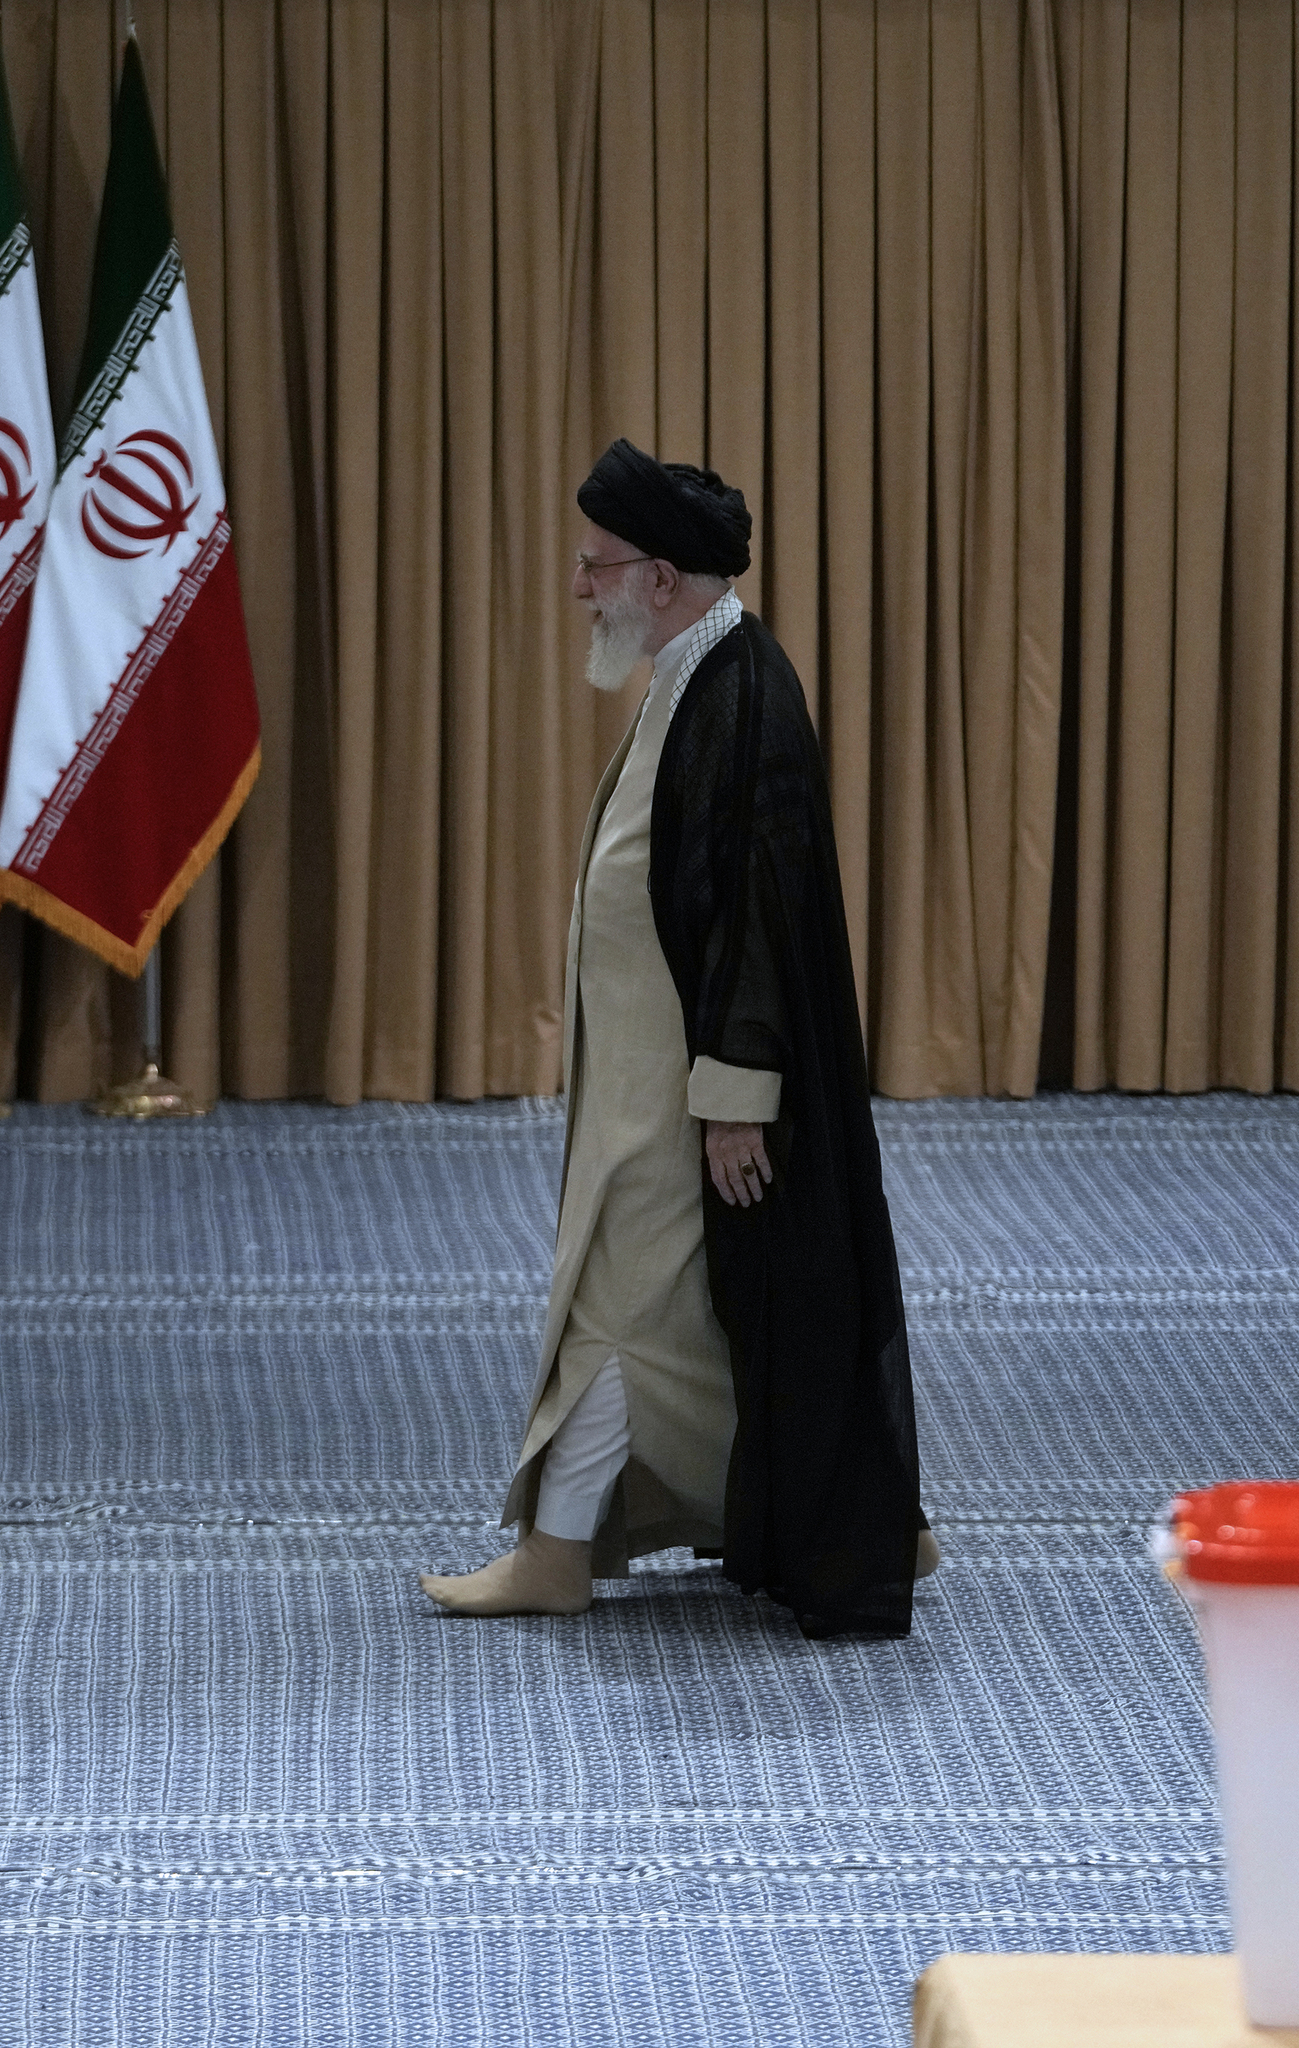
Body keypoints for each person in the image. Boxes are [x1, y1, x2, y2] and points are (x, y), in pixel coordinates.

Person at [418, 438, 931, 1640]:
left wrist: (736, 1094)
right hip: (652, 1083)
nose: (577, 587)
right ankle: (854, 1516)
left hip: (684, 1092)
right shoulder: (694, 669)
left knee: (618, 1299)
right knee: (701, 1316)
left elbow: (764, 906)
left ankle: (555, 1551)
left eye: (595, 566)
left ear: (660, 575)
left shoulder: (745, 692)